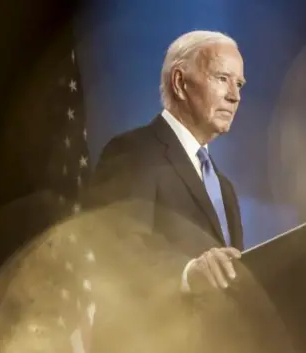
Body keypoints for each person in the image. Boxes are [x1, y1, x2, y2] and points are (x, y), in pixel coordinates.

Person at [88, 30, 246, 295]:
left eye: (239, 84)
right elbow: (113, 250)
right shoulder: (132, 152)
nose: (234, 96)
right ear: (180, 83)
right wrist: (187, 275)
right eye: (222, 79)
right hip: (154, 334)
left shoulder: (225, 188)